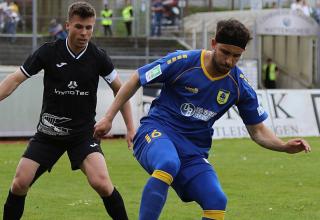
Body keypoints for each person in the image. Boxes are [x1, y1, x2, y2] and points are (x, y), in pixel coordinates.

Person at [94, 19, 311, 220]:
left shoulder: (239, 86)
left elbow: (258, 131)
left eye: (236, 56)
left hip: (192, 150)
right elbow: (136, 78)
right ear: (213, 43)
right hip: (156, 132)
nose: (229, 61)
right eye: (225, 52)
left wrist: (283, 146)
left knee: (217, 201)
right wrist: (108, 117)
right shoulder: (183, 61)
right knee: (168, 163)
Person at [0, 2, 134, 219]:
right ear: (68, 26)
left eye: (89, 27)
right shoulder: (48, 52)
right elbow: (15, 79)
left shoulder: (98, 56)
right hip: (49, 134)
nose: (84, 33)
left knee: (102, 183)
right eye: (79, 27)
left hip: (82, 135)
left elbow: (123, 91)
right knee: (19, 183)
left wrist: (129, 127)